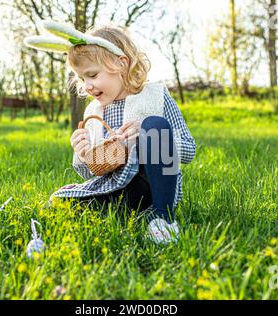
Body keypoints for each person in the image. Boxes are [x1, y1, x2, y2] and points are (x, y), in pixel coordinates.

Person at [24, 21, 196, 244]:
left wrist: (148, 138)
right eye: (81, 78)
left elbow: (189, 150)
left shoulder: (156, 96)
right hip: (115, 189)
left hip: (153, 188)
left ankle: (163, 220)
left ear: (121, 64)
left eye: (92, 75)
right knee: (62, 203)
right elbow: (91, 174)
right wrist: (83, 154)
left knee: (154, 124)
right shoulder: (94, 112)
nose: (86, 86)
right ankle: (115, 212)